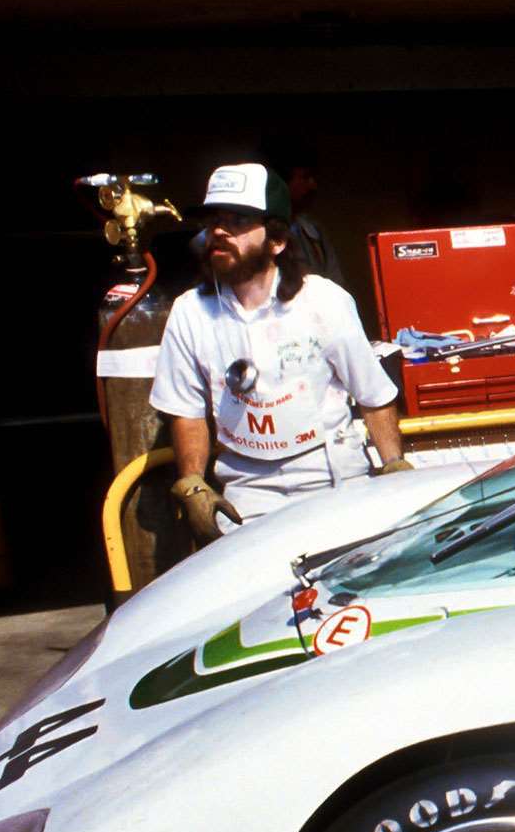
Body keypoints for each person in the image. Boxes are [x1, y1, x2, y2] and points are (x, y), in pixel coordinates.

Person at [150, 162, 411, 542]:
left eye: (237, 221)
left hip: (333, 481)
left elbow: (374, 396)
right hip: (247, 494)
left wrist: (394, 466)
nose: (219, 232)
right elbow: (186, 411)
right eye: (214, 222)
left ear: (277, 241)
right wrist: (193, 483)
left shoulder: (323, 301)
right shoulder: (191, 311)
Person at [266, 140, 339, 283]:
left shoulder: (313, 231)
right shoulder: (260, 232)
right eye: (305, 177)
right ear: (282, 183)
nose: (313, 185)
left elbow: (336, 282)